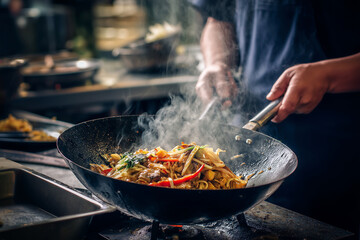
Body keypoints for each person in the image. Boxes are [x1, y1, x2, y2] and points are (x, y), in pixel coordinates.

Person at [190, 0, 360, 236]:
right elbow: (218, 20)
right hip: (249, 153)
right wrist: (217, 62)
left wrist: (329, 75)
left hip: (342, 156)